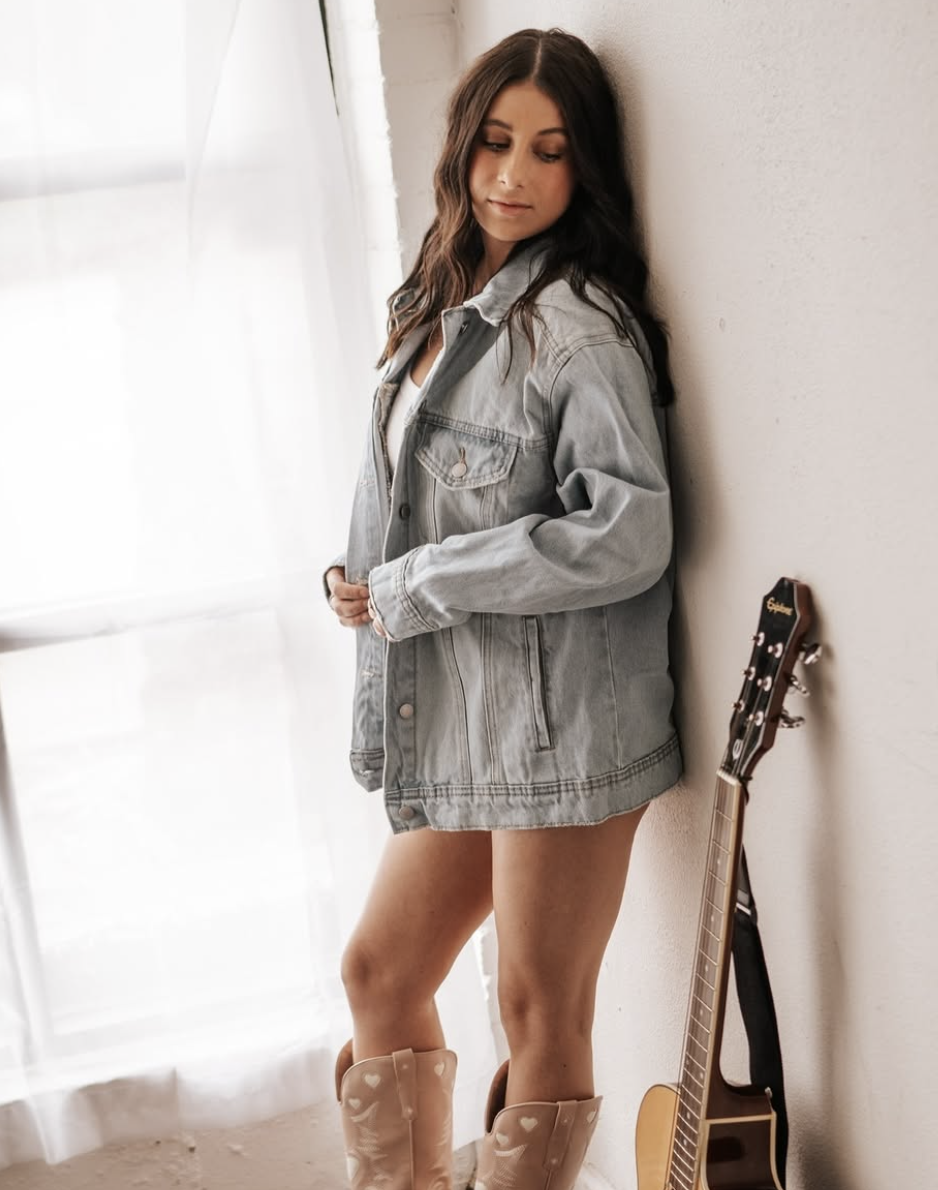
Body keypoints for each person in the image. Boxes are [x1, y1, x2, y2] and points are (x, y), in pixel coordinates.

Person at [325, 26, 681, 1190]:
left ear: (585, 173)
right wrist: (359, 572)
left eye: (547, 152)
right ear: (459, 148)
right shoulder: (437, 300)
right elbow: (411, 488)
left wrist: (422, 584)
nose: (510, 177)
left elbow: (628, 529)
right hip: (463, 705)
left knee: (538, 1009)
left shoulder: (577, 330)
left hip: (563, 718)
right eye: (491, 143)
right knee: (381, 972)